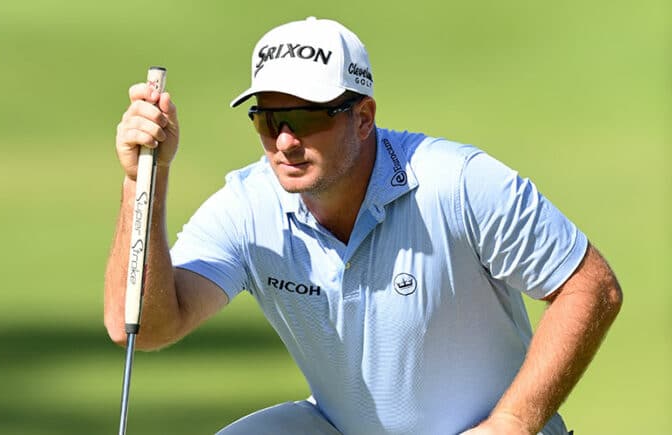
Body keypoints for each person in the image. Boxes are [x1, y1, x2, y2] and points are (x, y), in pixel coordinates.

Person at [105, 17, 623, 435]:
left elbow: (590, 287)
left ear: (364, 117)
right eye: (268, 120)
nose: (285, 142)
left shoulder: (457, 181)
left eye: (307, 118)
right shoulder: (248, 204)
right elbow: (146, 328)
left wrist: (510, 423)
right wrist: (143, 180)